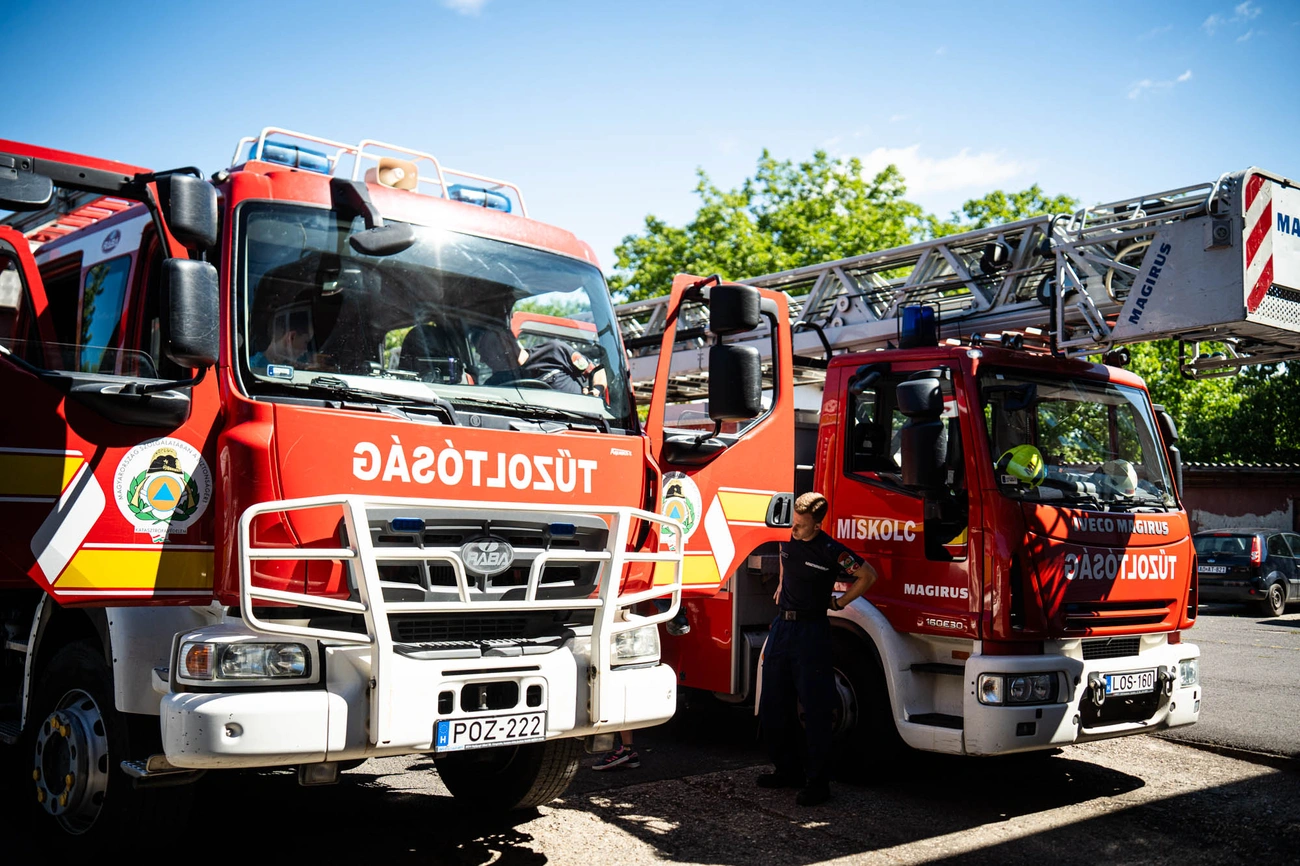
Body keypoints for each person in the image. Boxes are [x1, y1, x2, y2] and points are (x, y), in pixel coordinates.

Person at [758, 491, 880, 807]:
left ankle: (818, 783)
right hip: (782, 628)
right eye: (793, 524)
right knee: (773, 703)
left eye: (801, 526)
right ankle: (787, 771)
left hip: (811, 632)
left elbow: (868, 575)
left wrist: (839, 602)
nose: (794, 530)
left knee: (815, 710)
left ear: (817, 525)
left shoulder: (831, 550)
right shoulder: (789, 537)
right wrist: (783, 584)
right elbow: (786, 557)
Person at [472, 327, 604, 397]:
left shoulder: (555, 351)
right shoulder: (494, 385)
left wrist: (596, 390)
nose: (483, 359)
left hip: (579, 426)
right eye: (481, 353)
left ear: (506, 342)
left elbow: (598, 372)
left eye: (486, 350)